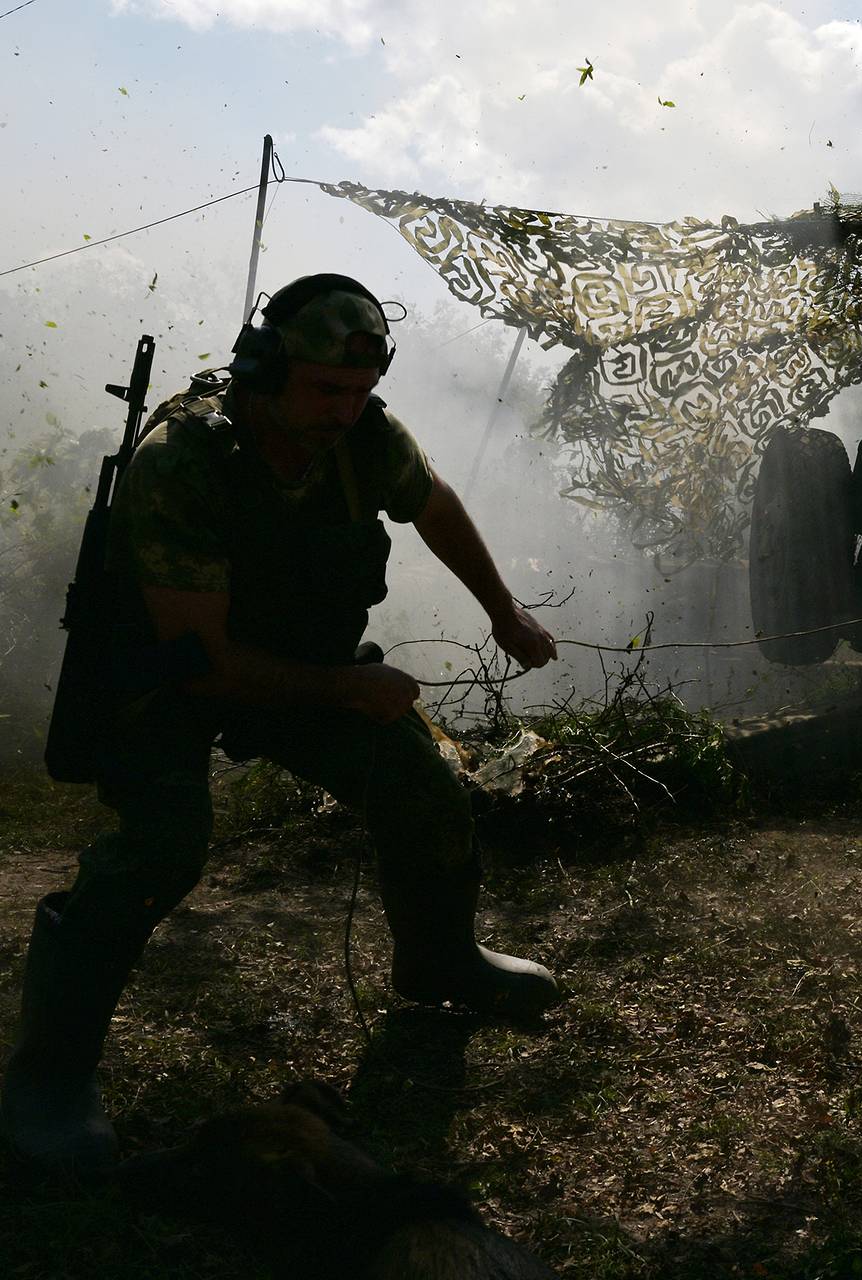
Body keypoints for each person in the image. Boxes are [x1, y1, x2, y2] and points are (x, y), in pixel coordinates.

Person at [2, 273, 560, 1178]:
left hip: (300, 666)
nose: (345, 411)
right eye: (325, 391)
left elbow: (433, 502)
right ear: (266, 371)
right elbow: (210, 663)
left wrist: (502, 608)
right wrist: (347, 688)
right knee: (161, 848)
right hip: (167, 682)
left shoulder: (359, 435)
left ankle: (440, 965)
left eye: (360, 392)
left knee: (419, 785)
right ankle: (49, 1078)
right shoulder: (184, 461)